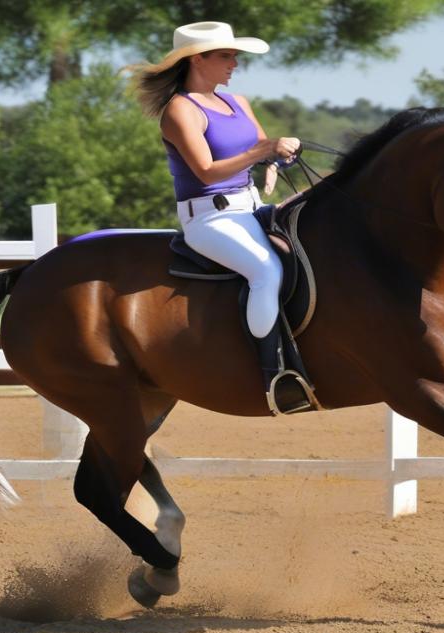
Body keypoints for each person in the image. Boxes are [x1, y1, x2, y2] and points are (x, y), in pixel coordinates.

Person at [131, 21, 310, 414]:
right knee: (266, 271)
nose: (235, 64)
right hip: (210, 221)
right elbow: (207, 171)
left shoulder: (237, 102)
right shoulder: (179, 110)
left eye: (234, 56)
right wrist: (263, 149)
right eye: (227, 56)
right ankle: (273, 375)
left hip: (250, 209)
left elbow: (263, 149)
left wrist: (279, 158)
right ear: (199, 59)